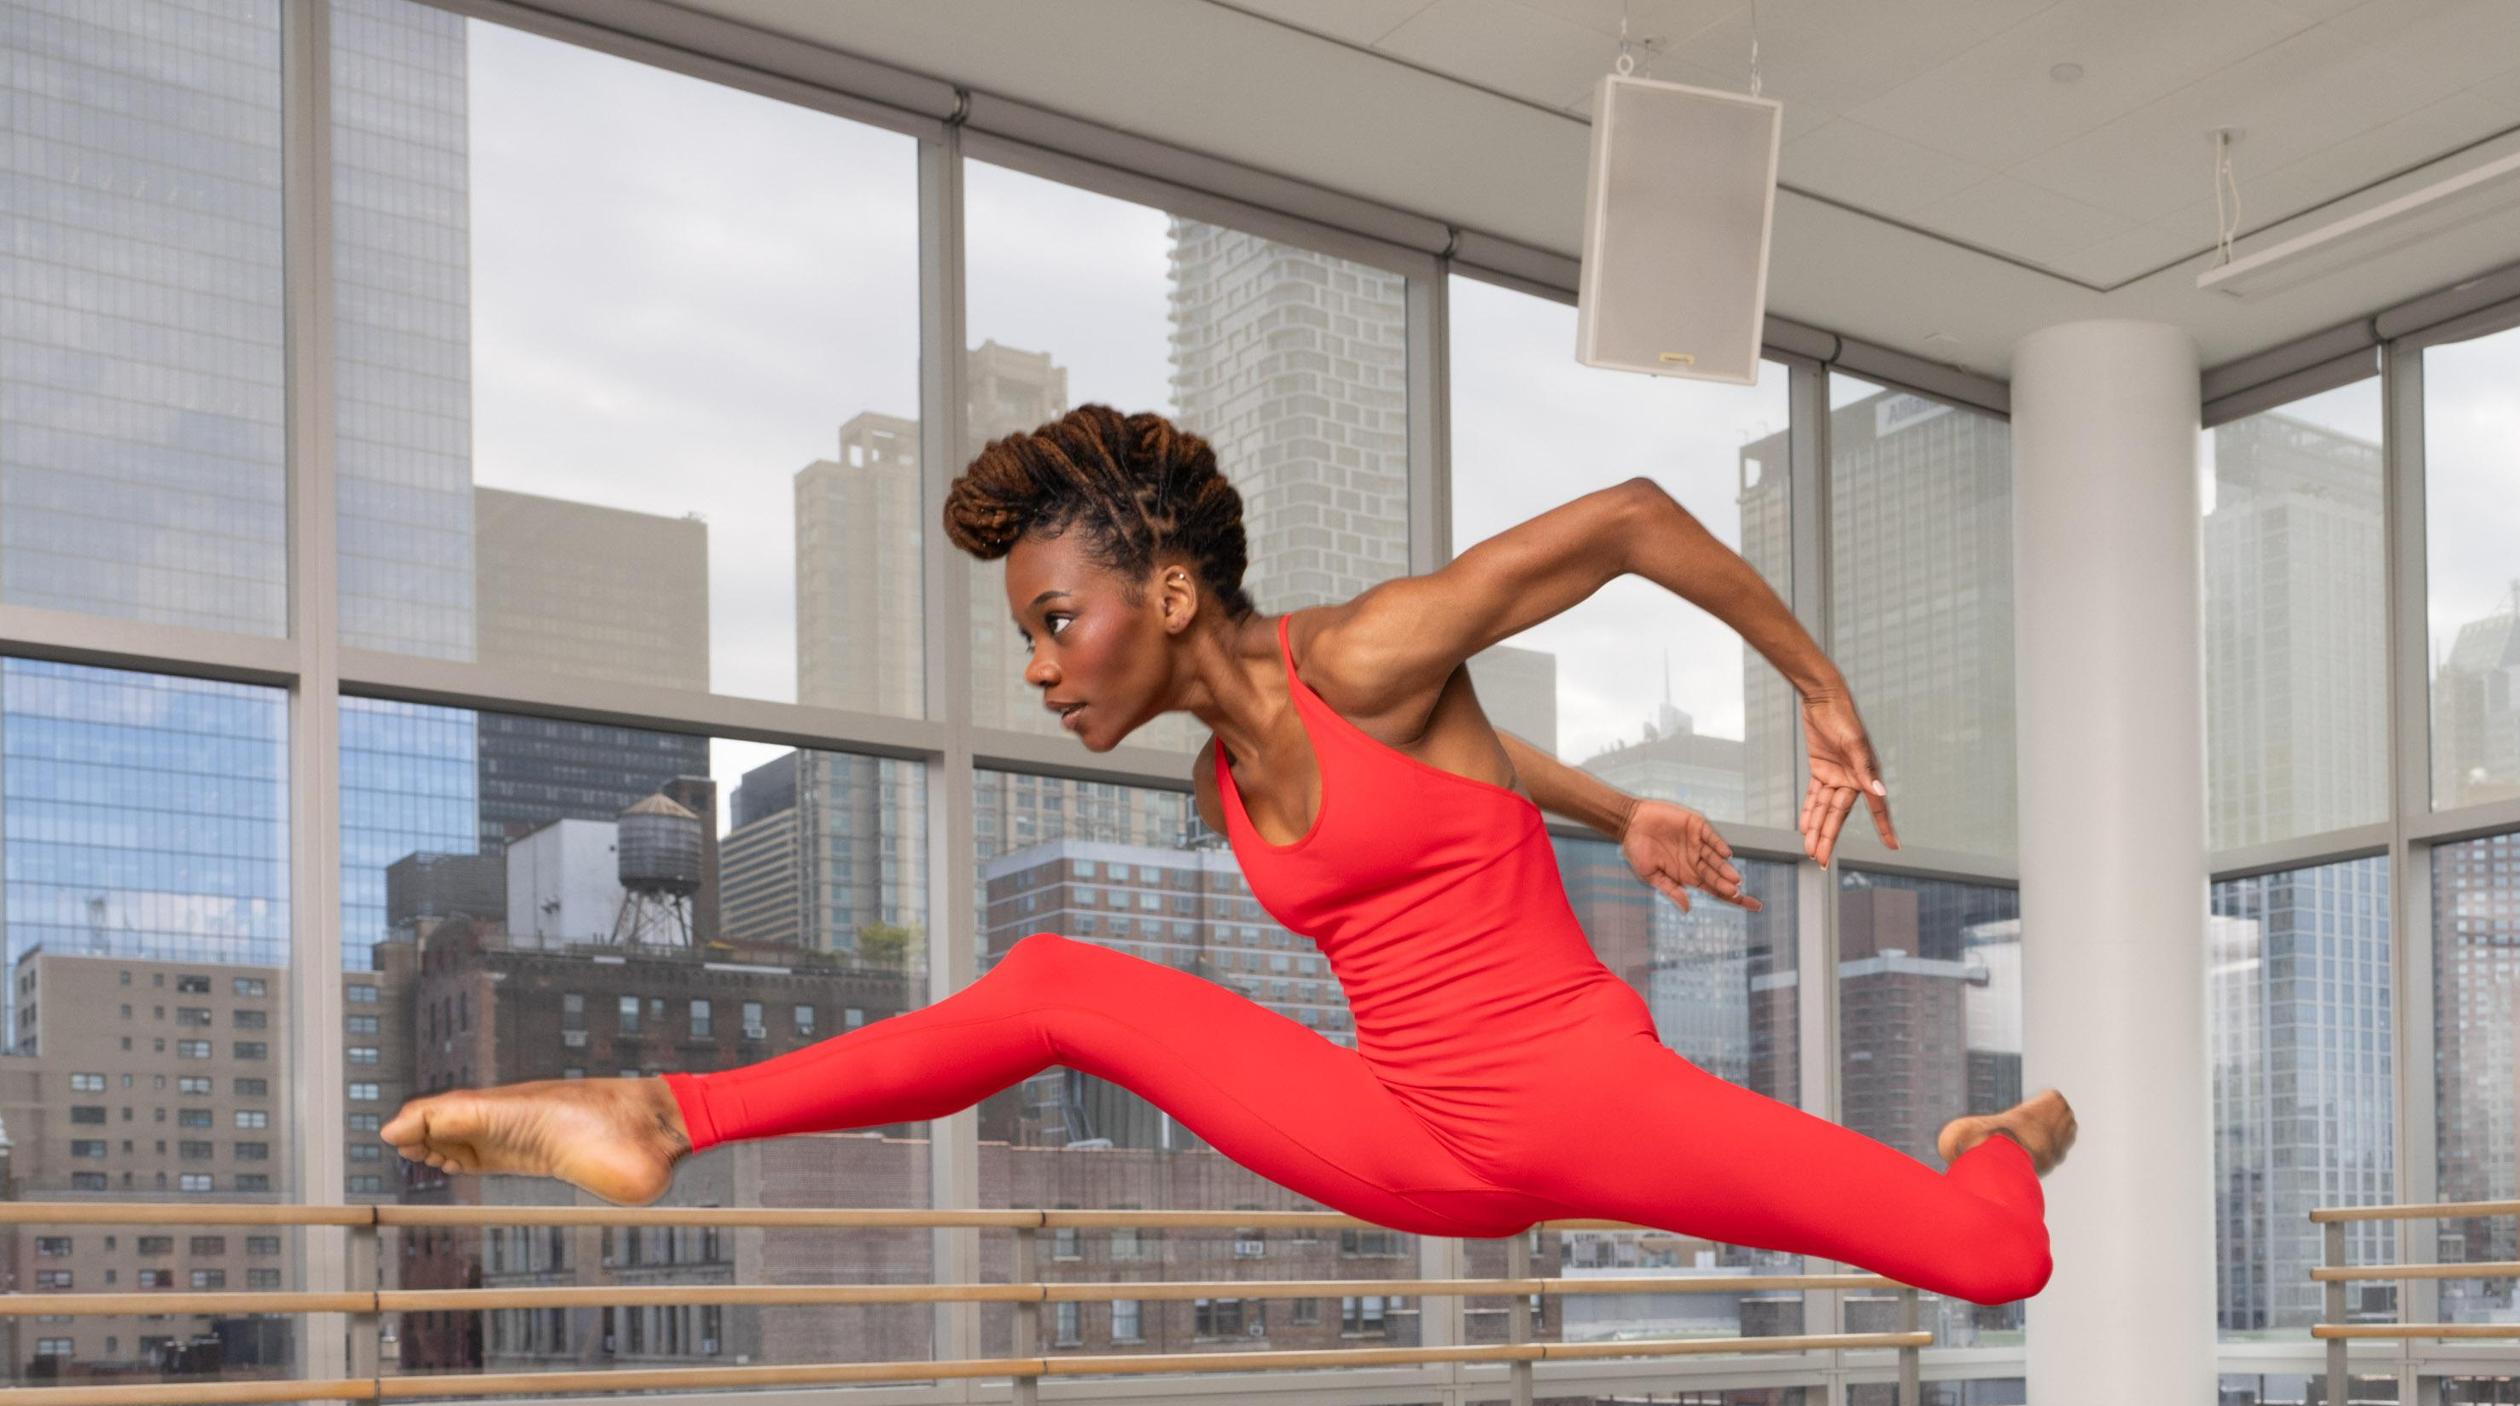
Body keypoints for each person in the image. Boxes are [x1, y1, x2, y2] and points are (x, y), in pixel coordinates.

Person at [380, 405, 2069, 1305]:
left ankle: (2003, 1131)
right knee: (1054, 984)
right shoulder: (1215, 789)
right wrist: (1610, 808)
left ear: (1169, 593)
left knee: (1995, 1255)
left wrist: (1823, 698)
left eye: (1058, 622)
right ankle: (663, 1117)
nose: (1041, 667)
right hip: (1404, 1133)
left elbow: (1630, 515)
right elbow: (1458, 783)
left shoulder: (1376, 654)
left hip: (1587, 1099)